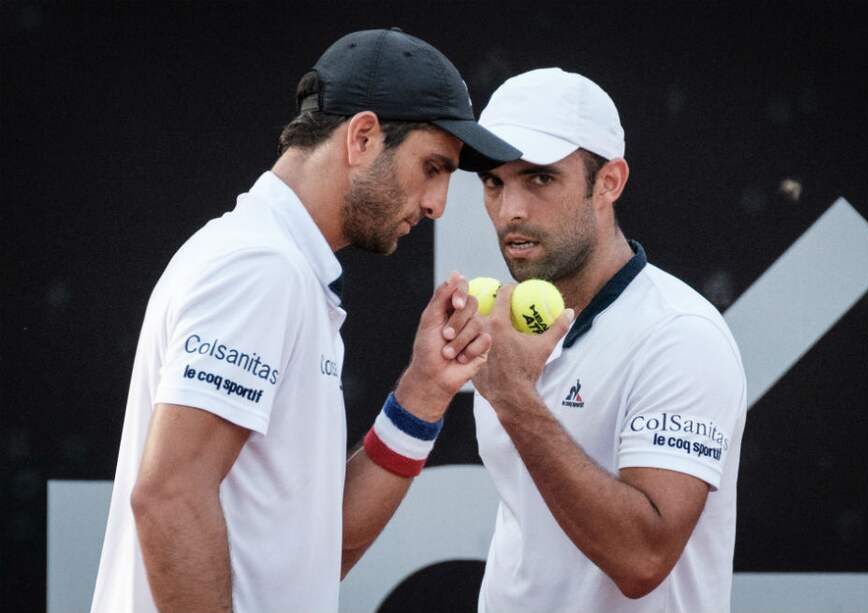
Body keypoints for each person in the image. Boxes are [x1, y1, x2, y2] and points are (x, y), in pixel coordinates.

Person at [90, 28, 519, 613]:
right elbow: (170, 496)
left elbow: (315, 553)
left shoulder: (283, 267)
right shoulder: (261, 268)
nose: (437, 204)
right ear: (362, 137)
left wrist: (423, 393)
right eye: (433, 167)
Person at [470, 67, 747, 613]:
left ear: (610, 182)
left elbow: (643, 559)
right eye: (494, 182)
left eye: (540, 178)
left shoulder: (680, 335)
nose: (510, 210)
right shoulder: (503, 323)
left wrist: (514, 399)